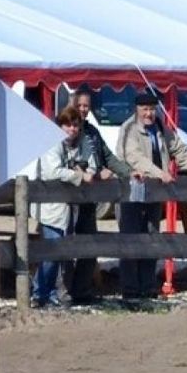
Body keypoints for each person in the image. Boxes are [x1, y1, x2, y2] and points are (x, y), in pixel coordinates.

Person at [116, 93, 187, 300]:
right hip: (133, 190)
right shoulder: (129, 128)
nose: (149, 113)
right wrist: (160, 173)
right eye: (145, 110)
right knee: (131, 238)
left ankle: (148, 286)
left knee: (152, 237)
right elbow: (134, 157)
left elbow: (179, 148)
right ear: (137, 109)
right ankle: (130, 289)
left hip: (155, 192)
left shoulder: (159, 127)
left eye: (151, 109)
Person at [66, 89, 135, 304]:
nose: (84, 110)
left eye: (87, 106)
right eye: (80, 106)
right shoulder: (64, 131)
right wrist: (95, 174)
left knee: (90, 246)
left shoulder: (93, 132)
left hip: (89, 199)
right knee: (65, 247)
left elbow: (107, 157)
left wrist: (128, 172)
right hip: (68, 198)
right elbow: (69, 163)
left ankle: (82, 290)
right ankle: (64, 291)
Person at [31, 107, 96, 308]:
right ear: (60, 126)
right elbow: (53, 171)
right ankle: (40, 293)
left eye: (76, 125)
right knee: (52, 253)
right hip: (51, 206)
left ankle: (49, 292)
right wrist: (78, 175)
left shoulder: (84, 142)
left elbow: (92, 164)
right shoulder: (52, 144)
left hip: (69, 208)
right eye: (68, 125)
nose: (72, 129)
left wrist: (88, 171)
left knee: (61, 253)